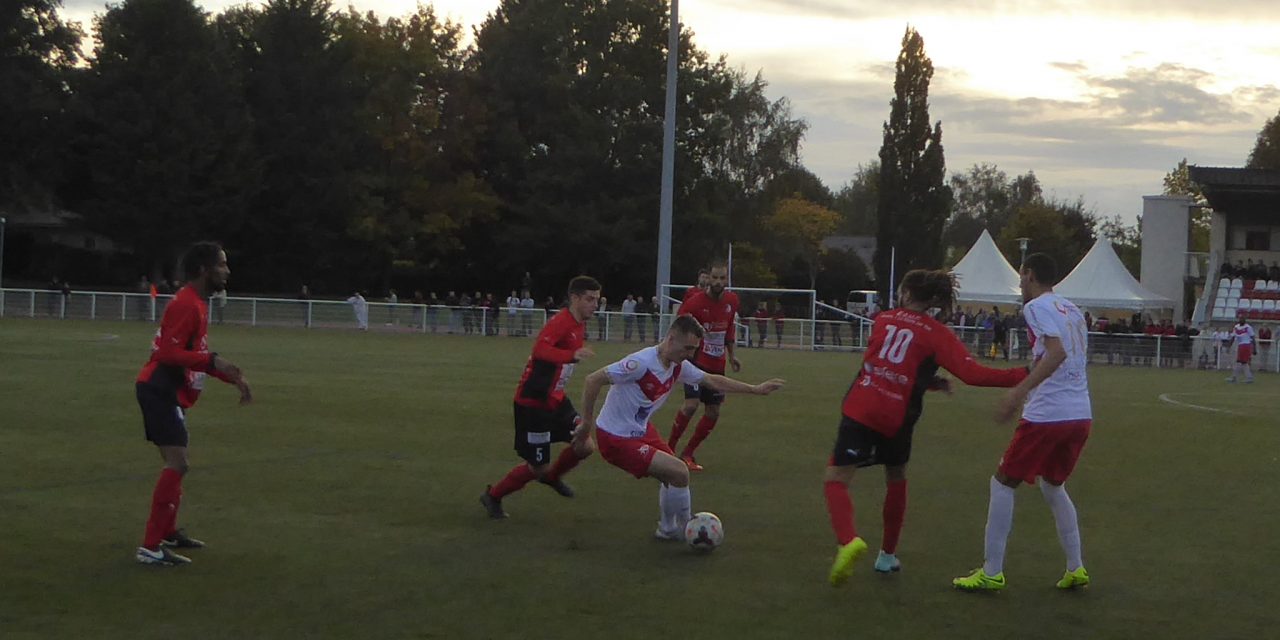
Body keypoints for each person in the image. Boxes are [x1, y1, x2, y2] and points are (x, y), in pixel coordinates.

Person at [825, 270, 1029, 586]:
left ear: (906, 294)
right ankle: (887, 556)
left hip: (862, 406)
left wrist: (927, 381)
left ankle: (848, 540)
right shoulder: (937, 334)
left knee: (836, 479)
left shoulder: (883, 319)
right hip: (899, 416)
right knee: (896, 475)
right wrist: (1025, 374)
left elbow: (884, 362)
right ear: (933, 299)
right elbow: (973, 374)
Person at [954, 253, 1093, 592]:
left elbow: (1056, 353)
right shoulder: (1071, 308)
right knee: (1052, 485)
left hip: (1049, 413)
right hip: (1080, 412)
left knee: (1002, 483)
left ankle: (992, 571)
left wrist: (1018, 392)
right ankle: (1076, 567)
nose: (1019, 282)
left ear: (1030, 274)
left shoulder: (1036, 307)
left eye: (1021, 275)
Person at [578, 315, 784, 540]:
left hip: (641, 430)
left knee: (673, 475)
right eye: (687, 348)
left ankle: (667, 529)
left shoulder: (678, 366)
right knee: (679, 471)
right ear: (671, 338)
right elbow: (592, 380)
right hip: (615, 437)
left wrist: (755, 389)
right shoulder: (640, 363)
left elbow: (712, 380)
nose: (690, 354)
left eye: (694, 349)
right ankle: (689, 528)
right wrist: (586, 423)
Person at [134, 242, 252, 565]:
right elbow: (168, 355)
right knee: (178, 463)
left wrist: (231, 377)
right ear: (204, 270)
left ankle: (167, 532)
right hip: (159, 389)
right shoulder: (187, 304)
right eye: (222, 265)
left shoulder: (197, 303)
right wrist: (215, 360)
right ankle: (149, 547)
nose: (227, 271)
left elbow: (193, 358)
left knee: (177, 465)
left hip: (167, 390)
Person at [480, 277, 602, 519]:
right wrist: (571, 355)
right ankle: (493, 496)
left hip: (556, 400)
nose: (595, 305)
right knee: (538, 468)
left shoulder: (579, 324)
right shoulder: (561, 322)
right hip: (534, 404)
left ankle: (553, 477)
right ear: (575, 298)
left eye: (597, 299)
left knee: (585, 445)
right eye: (590, 299)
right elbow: (540, 350)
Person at [666, 264, 741, 471]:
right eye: (714, 278)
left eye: (722, 278)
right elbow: (678, 326)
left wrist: (733, 355)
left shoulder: (732, 301)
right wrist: (676, 352)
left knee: (713, 411)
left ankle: (688, 453)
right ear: (708, 279)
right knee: (691, 405)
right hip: (695, 362)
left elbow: (729, 328)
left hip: (718, 365)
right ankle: (668, 450)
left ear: (727, 280)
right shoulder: (695, 302)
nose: (718, 282)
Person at [1227, 314, 1256, 383]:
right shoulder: (1236, 327)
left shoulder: (1248, 327)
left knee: (1241, 362)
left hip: (1246, 345)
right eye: (1240, 318)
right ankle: (1248, 377)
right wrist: (1229, 346)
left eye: (1242, 318)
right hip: (1240, 346)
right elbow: (1233, 337)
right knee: (1242, 362)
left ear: (1245, 319)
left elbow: (1253, 338)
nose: (1241, 320)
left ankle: (1236, 378)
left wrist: (1254, 348)